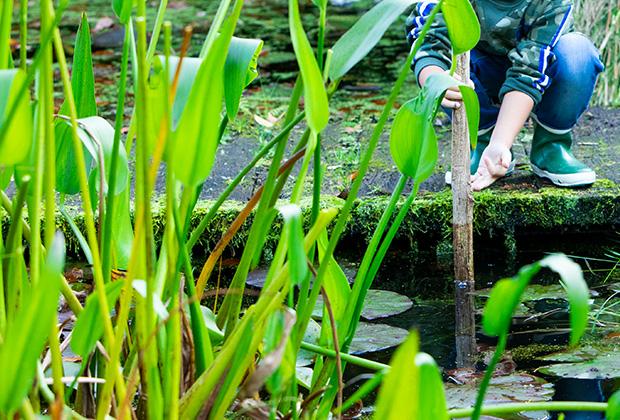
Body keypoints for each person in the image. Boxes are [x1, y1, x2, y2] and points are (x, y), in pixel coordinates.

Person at [406, 0, 605, 191]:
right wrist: (435, 81)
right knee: (442, 65)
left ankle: (550, 144)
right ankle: (481, 140)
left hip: (538, 76)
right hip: (478, 71)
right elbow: (428, 39)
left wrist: (501, 143)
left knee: (578, 52)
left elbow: (529, 71)